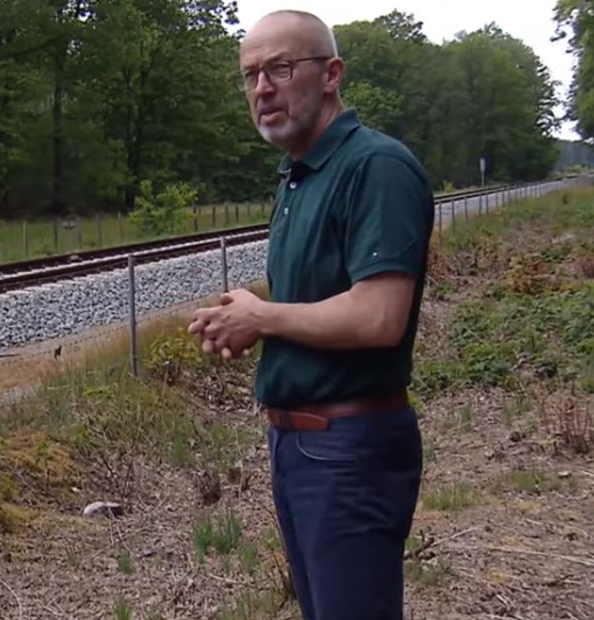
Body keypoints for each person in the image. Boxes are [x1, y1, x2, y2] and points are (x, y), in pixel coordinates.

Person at [187, 9, 434, 620]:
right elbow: (316, 304)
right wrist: (245, 321)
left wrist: (263, 317)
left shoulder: (374, 167)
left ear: (331, 74)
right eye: (250, 75)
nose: (262, 88)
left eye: (280, 68)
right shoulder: (298, 177)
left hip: (348, 447)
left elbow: (379, 317)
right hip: (301, 444)